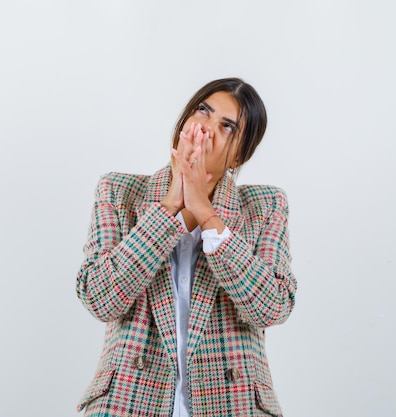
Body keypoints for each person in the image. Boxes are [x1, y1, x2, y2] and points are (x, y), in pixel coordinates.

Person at [75, 78, 296, 417]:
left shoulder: (265, 206)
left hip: (231, 406)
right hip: (127, 403)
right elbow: (99, 299)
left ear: (240, 156)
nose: (205, 130)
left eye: (227, 127)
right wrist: (168, 208)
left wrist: (208, 217)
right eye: (202, 111)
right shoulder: (119, 192)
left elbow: (272, 307)